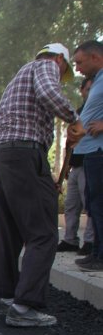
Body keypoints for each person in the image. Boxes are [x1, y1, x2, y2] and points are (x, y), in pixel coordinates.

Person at [0, 43, 83, 327]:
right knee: (43, 233)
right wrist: (74, 119)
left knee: (10, 231)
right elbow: (49, 94)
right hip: (23, 153)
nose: (62, 73)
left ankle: (6, 298)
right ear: (58, 59)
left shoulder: (19, 76)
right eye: (65, 68)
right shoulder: (45, 66)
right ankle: (25, 306)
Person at [71, 40, 103, 272]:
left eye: (80, 62)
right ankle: (96, 252)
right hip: (89, 152)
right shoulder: (97, 82)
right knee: (93, 206)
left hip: (99, 152)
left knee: (100, 205)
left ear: (95, 57)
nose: (77, 68)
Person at [57, 77, 94, 255]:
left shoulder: (97, 111)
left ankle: (91, 241)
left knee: (90, 204)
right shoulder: (79, 112)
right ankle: (70, 239)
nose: (90, 92)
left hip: (90, 162)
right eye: (87, 89)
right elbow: (70, 141)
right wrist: (65, 167)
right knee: (72, 205)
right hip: (75, 164)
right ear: (82, 90)